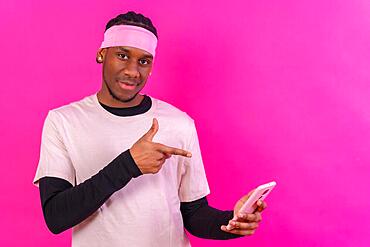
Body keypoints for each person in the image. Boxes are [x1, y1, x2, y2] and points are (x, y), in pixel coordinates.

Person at [33, 11, 267, 247]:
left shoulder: (178, 123)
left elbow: (194, 214)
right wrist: (129, 164)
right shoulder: (63, 121)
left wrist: (232, 221)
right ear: (102, 54)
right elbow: (56, 217)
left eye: (143, 61)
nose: (133, 71)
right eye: (122, 56)